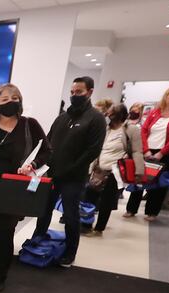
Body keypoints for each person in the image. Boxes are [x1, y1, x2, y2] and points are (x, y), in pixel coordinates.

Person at [0, 83, 50, 292]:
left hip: (11, 191)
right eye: (4, 99)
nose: (10, 102)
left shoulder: (28, 125)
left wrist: (32, 165)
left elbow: (47, 151)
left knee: (4, 235)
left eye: (15, 98)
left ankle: (0, 276)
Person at [31, 77, 106, 267]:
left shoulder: (96, 119)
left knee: (71, 215)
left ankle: (70, 253)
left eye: (79, 92)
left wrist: (69, 169)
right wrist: (40, 166)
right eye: (72, 92)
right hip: (52, 174)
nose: (74, 96)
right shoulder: (62, 118)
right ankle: (37, 239)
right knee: (44, 209)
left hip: (74, 177)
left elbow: (92, 151)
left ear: (89, 92)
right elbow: (48, 144)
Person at [125, 85, 169, 221]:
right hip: (147, 150)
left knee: (159, 183)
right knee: (139, 179)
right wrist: (146, 149)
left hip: (166, 153)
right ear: (166, 96)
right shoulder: (155, 111)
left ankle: (152, 212)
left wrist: (162, 153)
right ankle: (131, 209)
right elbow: (144, 130)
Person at [83, 104, 143, 236]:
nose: (107, 116)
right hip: (99, 169)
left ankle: (99, 229)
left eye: (111, 114)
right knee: (90, 197)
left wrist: (139, 171)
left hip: (115, 171)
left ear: (120, 116)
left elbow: (137, 151)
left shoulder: (131, 130)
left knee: (106, 201)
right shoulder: (106, 129)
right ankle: (85, 225)